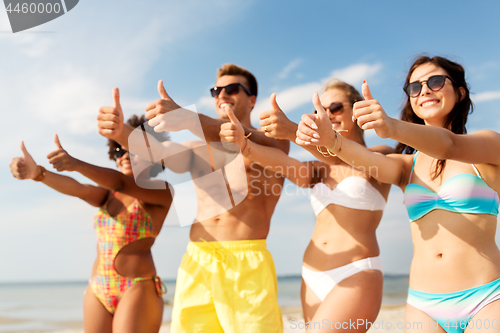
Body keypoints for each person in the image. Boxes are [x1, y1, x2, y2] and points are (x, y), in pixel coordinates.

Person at [296, 55, 500, 333]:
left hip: (486, 298)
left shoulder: (488, 146)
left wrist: (391, 127)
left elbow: (449, 145)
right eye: (414, 87)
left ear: (460, 92)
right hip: (423, 305)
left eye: (436, 81)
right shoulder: (407, 166)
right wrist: (330, 140)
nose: (425, 90)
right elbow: (366, 159)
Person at [97, 64, 289, 333]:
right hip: (198, 259)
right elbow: (158, 152)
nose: (222, 94)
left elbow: (273, 147)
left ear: (252, 99)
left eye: (232, 89)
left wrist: (187, 118)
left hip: (245, 261)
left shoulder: (270, 140)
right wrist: (121, 133)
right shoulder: (199, 148)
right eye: (216, 90)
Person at [220, 79, 391, 333]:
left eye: (334, 108)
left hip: (356, 273)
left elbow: (349, 157)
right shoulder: (320, 169)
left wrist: (291, 130)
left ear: (356, 111)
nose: (326, 116)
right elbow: (285, 163)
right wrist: (245, 145)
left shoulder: (381, 155)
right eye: (319, 111)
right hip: (312, 275)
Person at [10, 115, 172, 333]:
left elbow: (120, 182)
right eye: (118, 150)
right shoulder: (108, 196)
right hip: (97, 287)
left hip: (137, 286)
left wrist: (76, 163)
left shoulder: (161, 192)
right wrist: (39, 174)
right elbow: (80, 189)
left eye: (131, 149)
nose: (123, 155)